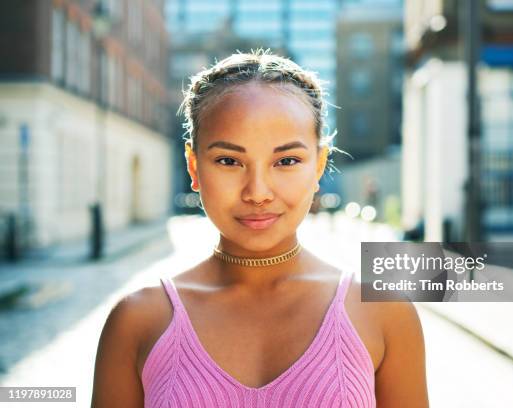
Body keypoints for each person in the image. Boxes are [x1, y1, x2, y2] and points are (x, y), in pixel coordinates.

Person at [91, 49, 428, 407]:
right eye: (228, 160)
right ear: (193, 166)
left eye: (286, 161)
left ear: (318, 166)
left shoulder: (384, 314)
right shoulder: (137, 322)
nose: (257, 192)